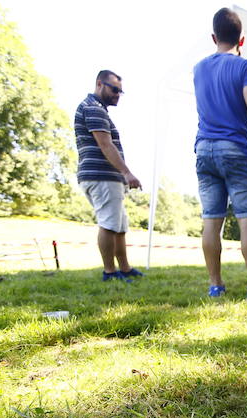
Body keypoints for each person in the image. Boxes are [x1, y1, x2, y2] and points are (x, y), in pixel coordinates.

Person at [194, 8, 247, 299]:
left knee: (211, 220)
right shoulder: (246, 68)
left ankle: (215, 285)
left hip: (204, 149)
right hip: (235, 150)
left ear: (214, 36)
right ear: (241, 40)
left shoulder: (198, 69)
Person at [74, 70, 143, 282]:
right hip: (100, 176)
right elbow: (105, 144)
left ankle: (124, 268)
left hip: (107, 177)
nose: (117, 95)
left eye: (120, 91)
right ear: (99, 84)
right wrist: (126, 172)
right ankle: (109, 272)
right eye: (114, 89)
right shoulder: (93, 109)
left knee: (120, 226)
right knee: (109, 224)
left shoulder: (97, 109)